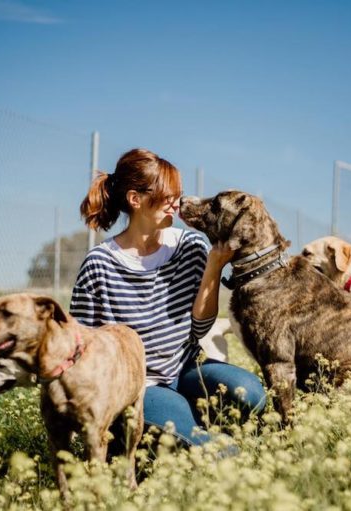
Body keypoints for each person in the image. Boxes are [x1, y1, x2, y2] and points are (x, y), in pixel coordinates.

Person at [72, 148, 266, 448]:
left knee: (251, 392)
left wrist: (214, 265)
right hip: (139, 387)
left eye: (178, 194)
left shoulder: (190, 246)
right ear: (135, 199)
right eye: (168, 195)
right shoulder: (99, 263)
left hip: (185, 370)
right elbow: (80, 345)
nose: (177, 203)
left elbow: (199, 330)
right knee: (211, 449)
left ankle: (202, 433)